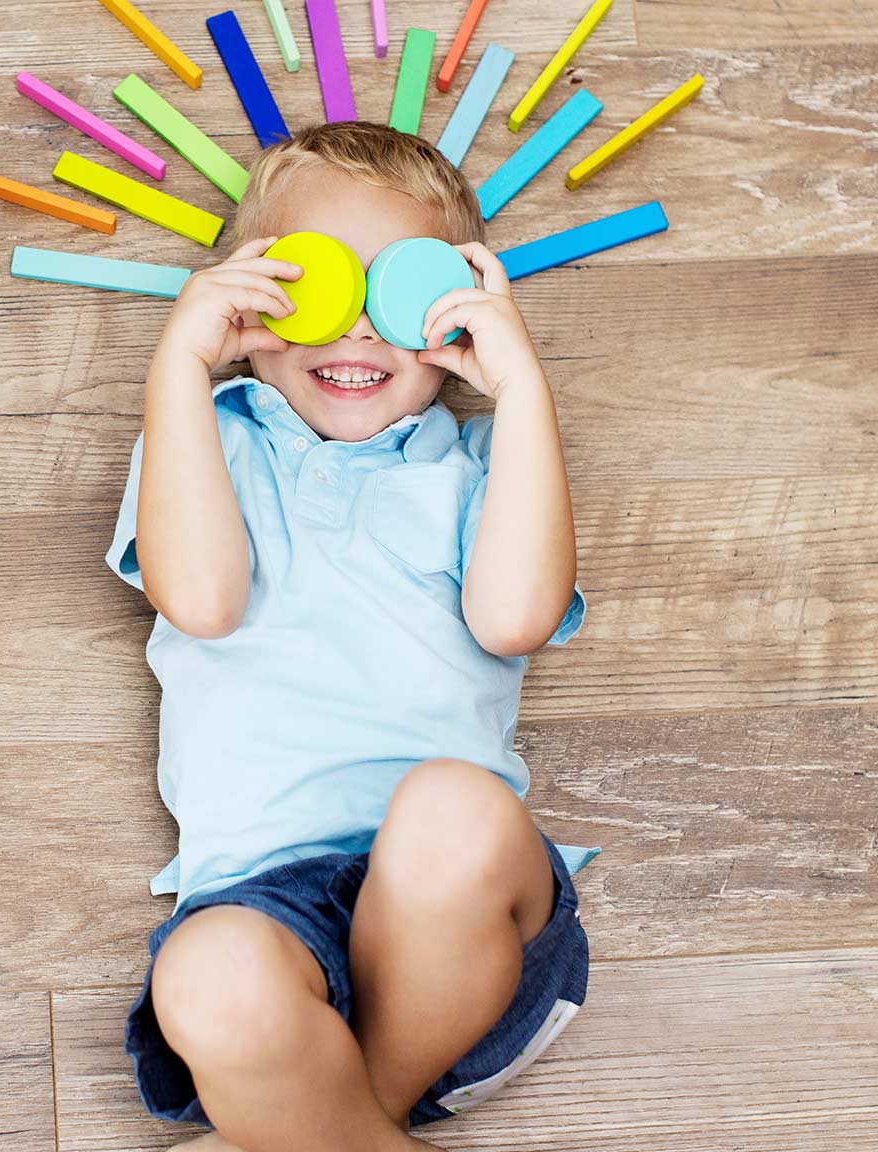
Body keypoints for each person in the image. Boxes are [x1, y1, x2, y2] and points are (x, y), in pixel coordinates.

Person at [108, 121, 589, 1151]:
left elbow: (518, 615)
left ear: (453, 315)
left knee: (449, 809)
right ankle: (356, 1127)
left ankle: (340, 1118)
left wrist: (522, 389)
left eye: (399, 293)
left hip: (464, 927)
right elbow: (198, 598)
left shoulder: (470, 465)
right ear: (252, 300)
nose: (361, 330)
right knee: (205, 972)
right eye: (321, 285)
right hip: (267, 909)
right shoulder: (210, 442)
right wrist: (182, 362)